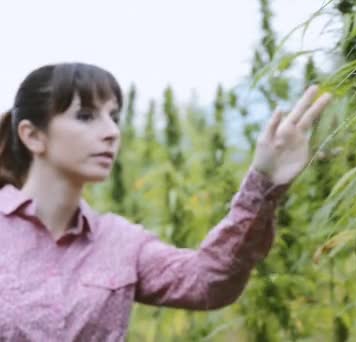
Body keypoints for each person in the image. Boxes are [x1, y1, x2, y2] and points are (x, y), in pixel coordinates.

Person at [0, 62, 332, 341]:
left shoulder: (119, 243)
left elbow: (208, 282)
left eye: (114, 116)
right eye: (86, 115)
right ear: (33, 135)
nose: (112, 132)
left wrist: (264, 182)